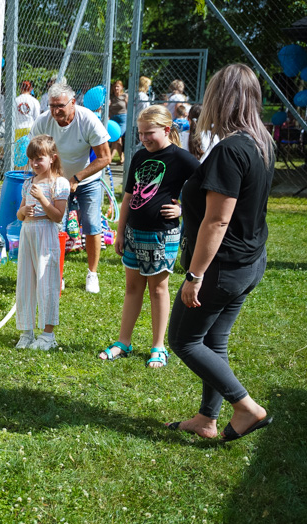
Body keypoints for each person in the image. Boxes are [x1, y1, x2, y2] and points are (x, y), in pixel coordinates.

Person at [166, 63, 275, 442]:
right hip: (248, 263)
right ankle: (207, 418)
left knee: (183, 340)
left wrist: (194, 277)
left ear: (220, 99)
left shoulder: (231, 151)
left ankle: (246, 408)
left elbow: (217, 221)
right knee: (213, 341)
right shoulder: (262, 142)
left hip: (222, 269)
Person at [100, 105, 199, 367]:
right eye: (140, 133)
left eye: (149, 133)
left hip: (162, 236)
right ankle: (124, 341)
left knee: (158, 289)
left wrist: (182, 209)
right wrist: (120, 232)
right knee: (132, 288)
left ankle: (158, 346)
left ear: (166, 130)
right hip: (134, 233)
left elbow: (205, 189)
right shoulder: (139, 156)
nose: (143, 138)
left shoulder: (181, 158)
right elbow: (129, 196)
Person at [30, 81, 111, 294]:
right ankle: (58, 275)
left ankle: (92, 274)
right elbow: (35, 155)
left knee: (92, 224)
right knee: (56, 227)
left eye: (60, 106)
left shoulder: (88, 120)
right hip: (56, 181)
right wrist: (42, 180)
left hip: (87, 179)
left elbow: (105, 157)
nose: (55, 111)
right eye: (51, 106)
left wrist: (77, 178)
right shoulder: (43, 122)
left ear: (73, 103)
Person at [14, 135, 70, 351]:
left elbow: (57, 216)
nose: (35, 164)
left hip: (46, 233)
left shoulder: (59, 183)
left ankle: (47, 334)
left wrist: (43, 200)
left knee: (47, 282)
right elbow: (19, 213)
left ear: (52, 158)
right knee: (25, 282)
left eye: (39, 159)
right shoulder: (29, 182)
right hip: (27, 231)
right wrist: (22, 211)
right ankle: (26, 331)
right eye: (32, 159)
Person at [108, 80, 129, 165]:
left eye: (118, 86)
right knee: (117, 138)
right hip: (113, 119)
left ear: (121, 87)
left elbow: (128, 108)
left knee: (117, 137)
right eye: (115, 86)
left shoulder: (125, 96)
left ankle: (109, 158)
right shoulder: (111, 97)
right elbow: (108, 109)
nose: (116, 88)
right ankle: (121, 157)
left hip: (123, 119)